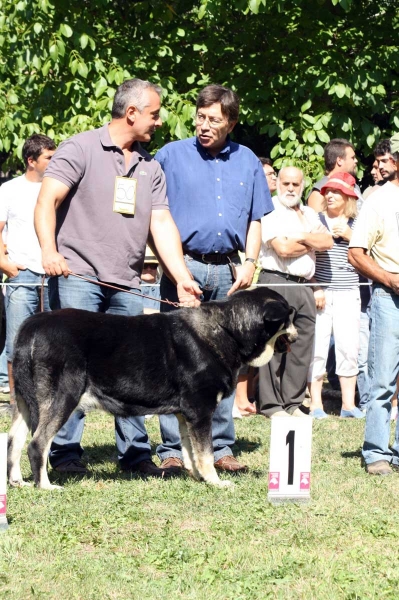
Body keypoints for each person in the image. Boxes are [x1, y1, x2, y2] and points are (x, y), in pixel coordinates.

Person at [34, 78, 201, 478]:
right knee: (72, 370)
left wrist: (180, 276)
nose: (160, 122)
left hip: (127, 283)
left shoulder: (150, 166)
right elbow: (47, 200)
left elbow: (161, 224)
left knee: (135, 370)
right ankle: (65, 454)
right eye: (155, 114)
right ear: (131, 113)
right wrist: (48, 251)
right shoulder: (81, 148)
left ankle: (136, 455)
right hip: (78, 276)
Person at [154, 84, 273, 473]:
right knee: (175, 359)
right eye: (200, 117)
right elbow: (155, 217)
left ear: (232, 123)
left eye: (214, 120)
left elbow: (256, 218)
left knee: (226, 360)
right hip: (182, 266)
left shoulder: (248, 161)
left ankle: (221, 447)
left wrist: (251, 262)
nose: (204, 126)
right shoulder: (170, 155)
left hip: (229, 271)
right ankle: (172, 449)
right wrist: (177, 271)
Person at [257, 166, 333, 418]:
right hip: (276, 280)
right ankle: (271, 405)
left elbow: (328, 242)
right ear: (278, 182)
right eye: (286, 183)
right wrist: (311, 240)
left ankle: (292, 402)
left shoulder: (310, 213)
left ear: (303, 185)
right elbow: (283, 249)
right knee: (273, 342)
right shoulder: (268, 208)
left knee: (302, 346)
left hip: (305, 284)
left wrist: (301, 236)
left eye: (295, 184)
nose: (290, 188)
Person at [348, 132, 399, 476]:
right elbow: (355, 252)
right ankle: (377, 453)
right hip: (389, 296)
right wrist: (389, 278)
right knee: (382, 381)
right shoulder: (379, 200)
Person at [0, 134, 56, 402]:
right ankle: (16, 401)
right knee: (16, 343)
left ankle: (46, 398)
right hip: (22, 275)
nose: (54, 162)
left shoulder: (57, 187)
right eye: (49, 158)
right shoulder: (9, 189)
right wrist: (6, 265)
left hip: (52, 275)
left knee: (51, 344)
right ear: (31, 160)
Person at [307, 172, 364, 419]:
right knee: (317, 346)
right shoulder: (315, 220)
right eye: (327, 191)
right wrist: (315, 287)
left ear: (348, 197)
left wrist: (352, 237)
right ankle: (316, 404)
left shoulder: (358, 223)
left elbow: (369, 256)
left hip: (350, 292)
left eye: (336, 192)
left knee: (349, 347)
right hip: (321, 292)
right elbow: (305, 259)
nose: (329, 195)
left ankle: (348, 405)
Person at [307, 139, 359, 212]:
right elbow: (316, 222)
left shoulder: (354, 186)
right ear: (339, 161)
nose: (356, 161)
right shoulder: (319, 192)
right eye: (352, 158)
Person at [140, 246, 161, 315]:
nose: (149, 269)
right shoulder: (132, 287)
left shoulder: (165, 287)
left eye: (153, 265)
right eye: (144, 266)